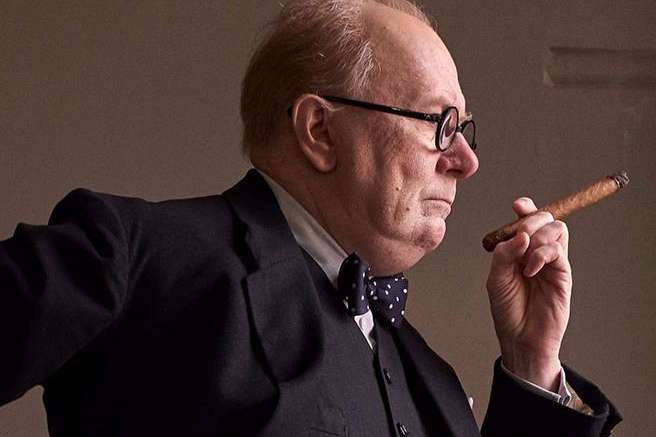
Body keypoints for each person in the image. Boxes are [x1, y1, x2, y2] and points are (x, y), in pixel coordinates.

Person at [0, 0, 621, 436]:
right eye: (440, 124)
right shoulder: (134, 255)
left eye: (466, 130)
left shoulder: (429, 376)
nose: (466, 160)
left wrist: (532, 364)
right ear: (319, 131)